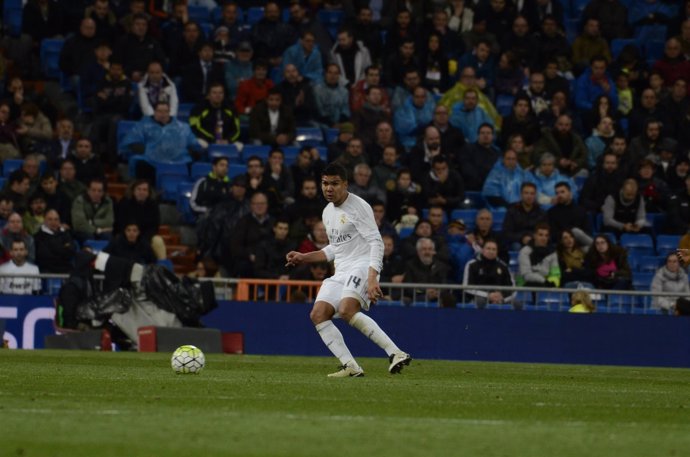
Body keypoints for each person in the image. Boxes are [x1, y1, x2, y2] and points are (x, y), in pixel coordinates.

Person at [285, 163, 411, 377]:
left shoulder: (358, 207)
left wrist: (372, 279)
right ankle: (350, 366)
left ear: (345, 184)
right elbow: (335, 248)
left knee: (346, 310)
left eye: (334, 183)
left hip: (363, 265)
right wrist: (305, 257)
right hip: (342, 270)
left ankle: (396, 353)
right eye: (325, 183)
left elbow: (376, 242)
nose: (329, 188)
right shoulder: (327, 212)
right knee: (318, 314)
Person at [462, 239, 514, 307]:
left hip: (499, 300)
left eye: (494, 249)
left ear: (497, 251)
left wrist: (502, 297)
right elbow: (467, 287)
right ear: (482, 250)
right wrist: (488, 295)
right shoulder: (472, 264)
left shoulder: (503, 266)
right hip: (478, 298)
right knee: (480, 301)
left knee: (517, 304)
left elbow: (512, 288)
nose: (491, 251)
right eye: (488, 248)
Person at [402, 237, 453, 307]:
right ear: (418, 251)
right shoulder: (410, 265)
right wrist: (425, 291)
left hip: (437, 297)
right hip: (418, 297)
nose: (427, 252)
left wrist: (436, 292)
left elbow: (445, 284)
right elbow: (408, 288)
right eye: (424, 249)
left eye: (430, 249)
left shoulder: (441, 266)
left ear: (433, 251)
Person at [71, 178, 115, 244]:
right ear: (88, 190)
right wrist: (97, 230)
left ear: (103, 192)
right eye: (93, 190)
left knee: (108, 237)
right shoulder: (79, 201)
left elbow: (109, 222)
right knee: (89, 236)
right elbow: (79, 224)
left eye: (99, 191)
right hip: (83, 231)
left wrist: (91, 222)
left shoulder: (108, 201)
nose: (96, 193)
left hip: (102, 232)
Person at [517, 223, 561, 288]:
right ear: (534, 236)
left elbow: (555, 274)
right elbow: (526, 275)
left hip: (545, 285)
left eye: (546, 236)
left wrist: (552, 283)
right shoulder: (525, 251)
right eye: (540, 235)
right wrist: (544, 281)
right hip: (525, 286)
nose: (544, 238)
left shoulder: (552, 253)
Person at [34, 208, 76, 274]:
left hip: (66, 268)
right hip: (48, 270)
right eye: (50, 219)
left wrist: (55, 249)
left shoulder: (65, 234)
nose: (53, 222)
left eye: (56, 219)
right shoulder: (39, 236)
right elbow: (45, 256)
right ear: (44, 220)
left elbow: (72, 250)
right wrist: (63, 248)